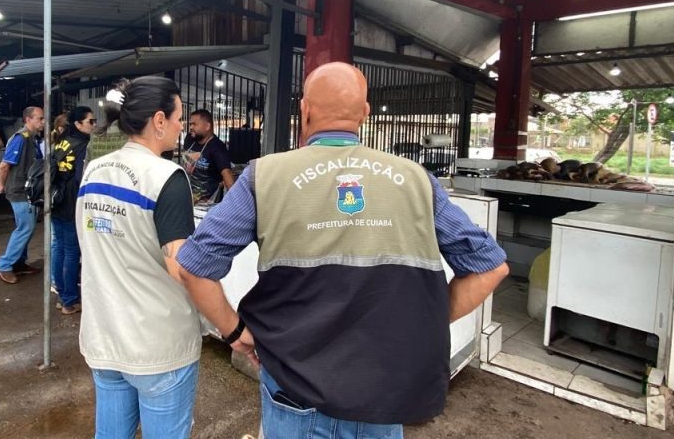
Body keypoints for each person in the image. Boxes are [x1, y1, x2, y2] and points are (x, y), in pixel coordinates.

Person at [177, 62, 509, 439]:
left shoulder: (264, 176)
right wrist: (426, 320)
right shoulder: (417, 181)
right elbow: (490, 267)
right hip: (383, 392)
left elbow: (194, 265)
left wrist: (235, 332)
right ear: (364, 114)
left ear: (304, 110)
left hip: (295, 387)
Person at [76, 77, 200, 438]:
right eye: (179, 117)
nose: (182, 125)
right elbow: (182, 269)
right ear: (159, 120)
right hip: (157, 346)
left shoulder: (94, 170)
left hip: (104, 336)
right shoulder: (166, 177)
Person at [0, 106, 45, 284]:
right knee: (25, 228)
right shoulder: (20, 138)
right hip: (19, 191)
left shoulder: (32, 138)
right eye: (40, 118)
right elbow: (4, 165)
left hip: (27, 190)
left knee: (26, 227)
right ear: (28, 119)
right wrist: (3, 184)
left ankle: (19, 263)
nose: (43, 122)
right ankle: (5, 265)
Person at [50, 106, 94, 315]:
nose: (93, 125)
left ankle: (61, 295)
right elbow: (80, 177)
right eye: (90, 121)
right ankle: (69, 300)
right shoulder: (83, 145)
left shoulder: (62, 141)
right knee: (71, 250)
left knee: (59, 247)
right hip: (71, 202)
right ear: (78, 124)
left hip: (55, 198)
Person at [181, 109, 235, 203]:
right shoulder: (189, 139)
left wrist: (236, 201)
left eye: (194, 124)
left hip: (207, 201)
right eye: (190, 124)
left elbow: (227, 174)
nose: (191, 127)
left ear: (207, 126)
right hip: (186, 194)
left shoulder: (217, 147)